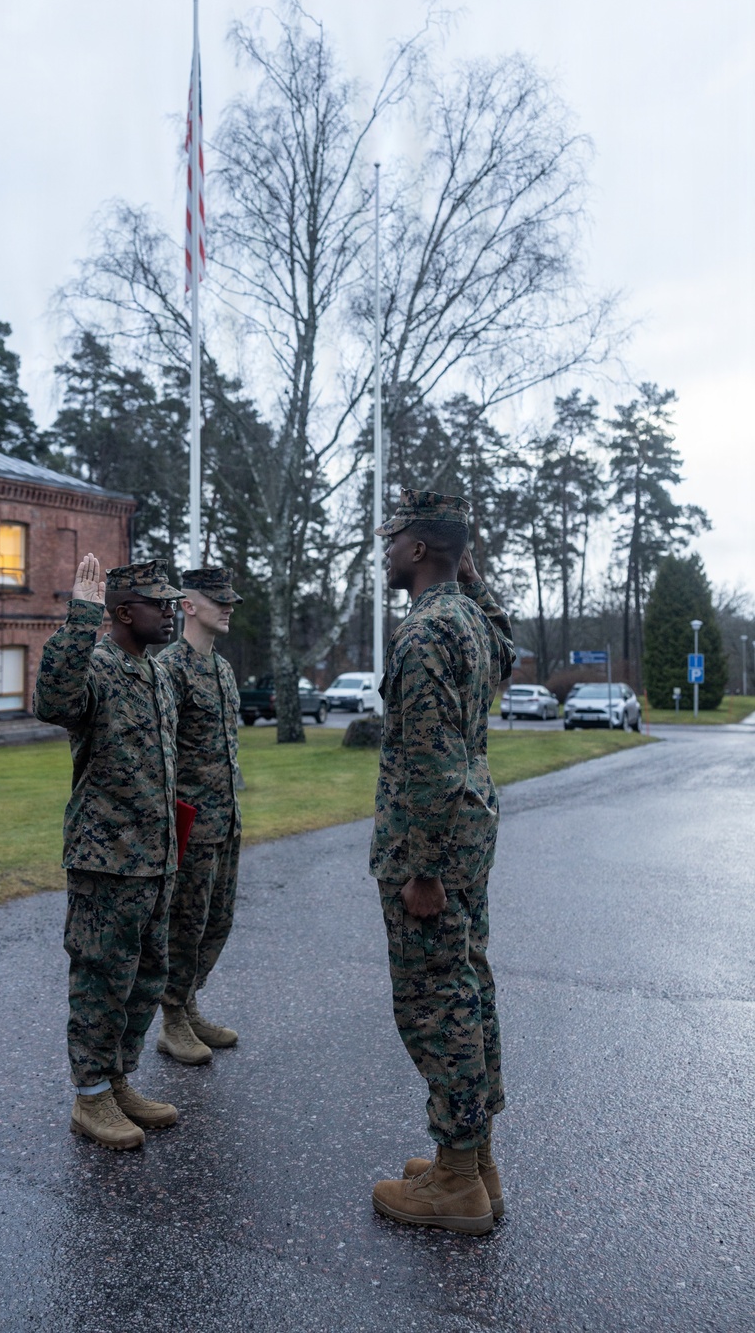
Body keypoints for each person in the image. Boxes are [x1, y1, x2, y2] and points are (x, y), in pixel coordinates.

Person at [369, 490, 515, 1234]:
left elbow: (427, 761)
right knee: (469, 985)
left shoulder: (425, 631)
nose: (386, 549)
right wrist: (472, 573)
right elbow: (509, 644)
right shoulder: (468, 618)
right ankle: (477, 1160)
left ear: (418, 550)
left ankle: (457, 1178)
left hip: (432, 847)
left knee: (436, 1004)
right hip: (471, 832)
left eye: (393, 538)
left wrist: (421, 870)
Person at [33, 554, 183, 1151]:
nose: (171, 612)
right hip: (106, 858)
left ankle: (118, 1080)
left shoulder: (155, 672)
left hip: (157, 856)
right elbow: (53, 701)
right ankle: (90, 1096)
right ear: (123, 612)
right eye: (159, 603)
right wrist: (79, 621)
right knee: (101, 977)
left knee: (146, 978)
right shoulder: (94, 667)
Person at [157, 566, 244, 1065]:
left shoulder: (222, 668)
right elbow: (161, 751)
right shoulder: (171, 667)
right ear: (188, 606)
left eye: (229, 600)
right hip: (189, 822)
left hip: (226, 819)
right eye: (218, 601)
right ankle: (171, 1019)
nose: (227, 607)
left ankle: (188, 1004)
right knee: (184, 925)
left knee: (217, 920)